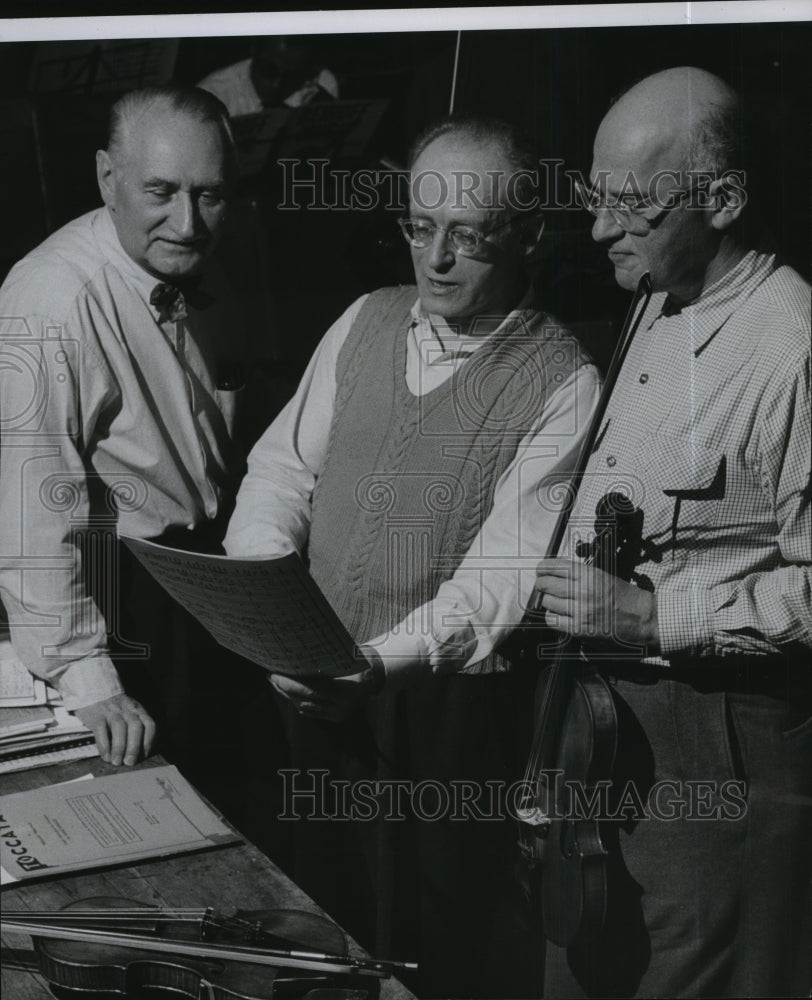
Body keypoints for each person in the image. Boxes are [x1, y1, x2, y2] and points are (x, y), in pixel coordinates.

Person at [224, 115, 601, 997]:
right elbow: (281, 471)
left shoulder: (565, 381)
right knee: (315, 927)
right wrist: (269, 607)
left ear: (531, 235)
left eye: (469, 235)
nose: (435, 259)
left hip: (443, 714)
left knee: (433, 947)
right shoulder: (366, 317)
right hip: (310, 685)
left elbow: (499, 581)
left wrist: (372, 667)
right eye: (420, 227)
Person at [531, 67, 812, 997]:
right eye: (594, 198)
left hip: (718, 749)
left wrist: (656, 618)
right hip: (599, 736)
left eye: (631, 207)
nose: (599, 230)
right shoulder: (657, 295)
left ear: (723, 199)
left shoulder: (794, 346)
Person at [0, 86, 249, 772]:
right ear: (108, 178)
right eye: (160, 191)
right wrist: (87, 678)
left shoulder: (190, 256)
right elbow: (28, 510)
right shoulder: (49, 300)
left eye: (210, 194)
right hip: (119, 597)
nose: (188, 222)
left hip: (206, 574)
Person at [197, 36, 339, 117]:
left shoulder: (323, 82)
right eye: (268, 71)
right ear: (254, 52)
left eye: (290, 77)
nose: (276, 85)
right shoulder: (213, 94)